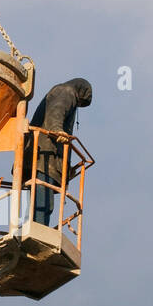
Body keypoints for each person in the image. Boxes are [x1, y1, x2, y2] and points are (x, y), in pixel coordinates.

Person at [22, 78, 92, 225]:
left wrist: (68, 169)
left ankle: (35, 227)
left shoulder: (63, 92)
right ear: (81, 91)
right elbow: (57, 110)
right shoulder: (66, 91)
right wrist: (57, 130)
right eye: (80, 102)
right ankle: (38, 229)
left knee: (40, 198)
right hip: (44, 156)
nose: (78, 105)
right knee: (43, 200)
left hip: (43, 156)